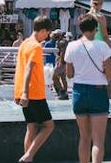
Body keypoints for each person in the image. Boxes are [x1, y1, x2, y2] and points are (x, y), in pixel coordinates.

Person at [66, 15, 111, 163]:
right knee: (98, 140)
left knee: (84, 137)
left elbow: (69, 73)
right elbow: (110, 72)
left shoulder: (72, 46)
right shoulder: (101, 46)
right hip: (98, 91)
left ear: (80, 29)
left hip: (79, 92)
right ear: (95, 29)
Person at [14, 15, 55, 163]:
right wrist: (25, 92)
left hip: (23, 92)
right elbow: (28, 69)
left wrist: (19, 91)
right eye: (47, 33)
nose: (47, 36)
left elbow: (19, 68)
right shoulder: (36, 47)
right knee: (49, 126)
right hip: (34, 93)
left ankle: (28, 159)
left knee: (31, 128)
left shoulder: (24, 43)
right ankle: (28, 155)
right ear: (42, 30)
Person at [53, 30, 70, 100]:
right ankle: (65, 92)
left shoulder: (61, 42)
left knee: (54, 78)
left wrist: (60, 62)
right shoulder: (65, 42)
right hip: (65, 63)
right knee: (63, 78)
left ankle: (62, 92)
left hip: (62, 62)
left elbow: (63, 52)